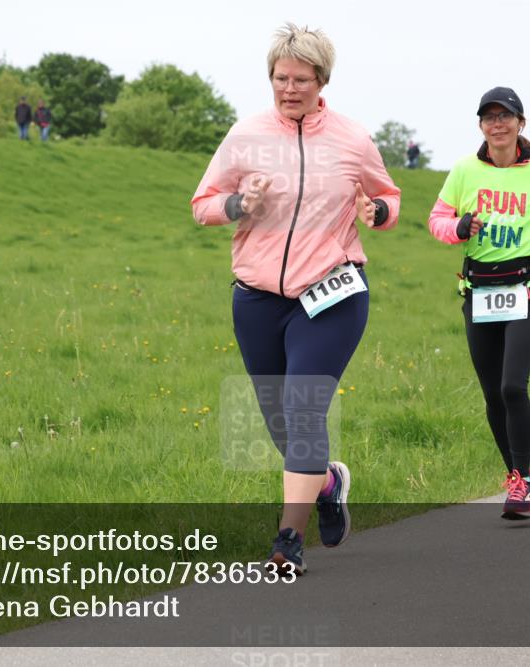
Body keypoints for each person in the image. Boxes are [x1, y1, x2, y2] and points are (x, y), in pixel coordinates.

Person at [191, 23, 400, 574]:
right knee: (277, 421)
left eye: (300, 79)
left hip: (330, 293)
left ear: (321, 80)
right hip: (257, 298)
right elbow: (203, 203)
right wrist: (240, 204)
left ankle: (288, 542)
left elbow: (387, 197)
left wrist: (376, 214)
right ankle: (327, 482)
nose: (289, 89)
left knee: (303, 410)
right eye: (280, 78)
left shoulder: (352, 139)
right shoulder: (247, 134)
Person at [426, 86, 530, 518]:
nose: (497, 123)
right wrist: (459, 227)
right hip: (481, 292)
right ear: (481, 126)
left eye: (505, 116)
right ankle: (516, 478)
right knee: (493, 393)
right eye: (489, 117)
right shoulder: (464, 171)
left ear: (520, 123)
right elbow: (437, 220)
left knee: (513, 385)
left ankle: (523, 476)